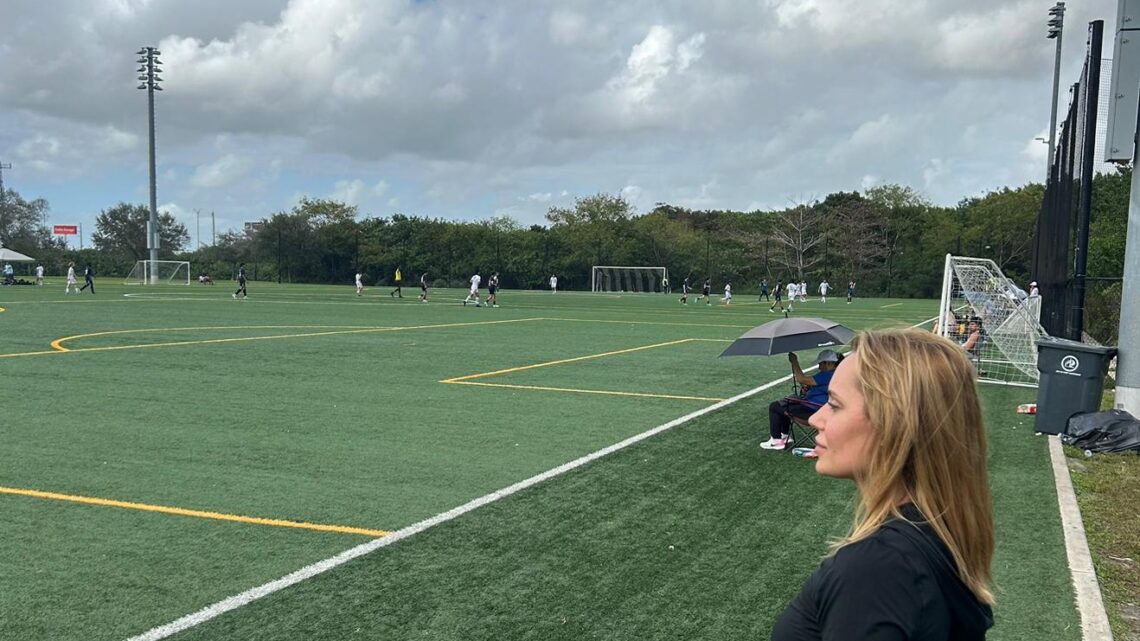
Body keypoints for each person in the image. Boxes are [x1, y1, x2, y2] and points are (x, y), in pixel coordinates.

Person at [771, 329, 995, 641]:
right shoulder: (938, 529)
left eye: (834, 405)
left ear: (893, 423)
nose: (815, 419)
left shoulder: (876, 569)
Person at [760, 349, 839, 450]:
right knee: (789, 401)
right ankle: (784, 437)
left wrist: (794, 362)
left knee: (775, 406)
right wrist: (809, 389)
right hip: (823, 409)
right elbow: (821, 387)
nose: (819, 367)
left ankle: (776, 440)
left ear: (827, 363)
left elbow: (802, 379)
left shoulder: (827, 375)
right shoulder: (836, 374)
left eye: (820, 364)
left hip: (814, 411)